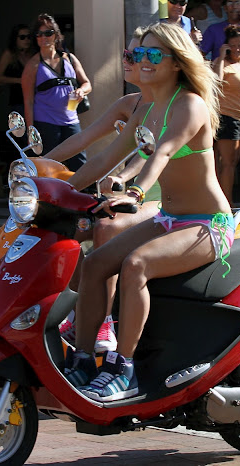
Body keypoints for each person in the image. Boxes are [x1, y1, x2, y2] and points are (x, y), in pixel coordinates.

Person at [64, 23, 233, 401]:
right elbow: (106, 157)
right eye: (138, 54)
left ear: (176, 62)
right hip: (167, 221)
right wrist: (55, 187)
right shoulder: (145, 106)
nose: (142, 61)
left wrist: (137, 190)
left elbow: (164, 152)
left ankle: (123, 368)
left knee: (136, 264)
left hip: (208, 225)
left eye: (153, 55)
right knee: (94, 265)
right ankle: (83, 358)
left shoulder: (189, 104)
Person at [46, 27, 156, 354]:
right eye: (127, 54)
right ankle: (79, 310)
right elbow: (86, 141)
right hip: (128, 198)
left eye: (136, 55)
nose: (128, 60)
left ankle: (103, 322)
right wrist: (37, 169)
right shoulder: (130, 105)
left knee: (105, 227)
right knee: (64, 226)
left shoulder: (173, 107)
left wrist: (124, 180)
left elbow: (151, 155)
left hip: (158, 200)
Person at [21, 13, 91, 172]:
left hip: (71, 119)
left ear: (56, 35)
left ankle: (82, 195)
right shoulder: (33, 65)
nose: (43, 38)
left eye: (48, 33)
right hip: (46, 122)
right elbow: (28, 101)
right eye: (39, 34)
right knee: (48, 166)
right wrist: (31, 131)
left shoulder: (69, 59)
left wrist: (81, 90)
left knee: (79, 163)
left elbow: (87, 83)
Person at [212, 25, 240, 204]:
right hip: (228, 116)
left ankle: (227, 200)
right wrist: (221, 57)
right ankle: (226, 204)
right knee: (227, 162)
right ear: (227, 46)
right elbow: (215, 81)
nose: (238, 49)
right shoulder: (221, 62)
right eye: (234, 45)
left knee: (238, 159)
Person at [0, 24, 32, 117]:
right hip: (18, 101)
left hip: (35, 101)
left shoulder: (33, 54)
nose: (26, 40)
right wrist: (19, 80)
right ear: (15, 39)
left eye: (29, 37)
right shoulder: (9, 55)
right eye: (22, 37)